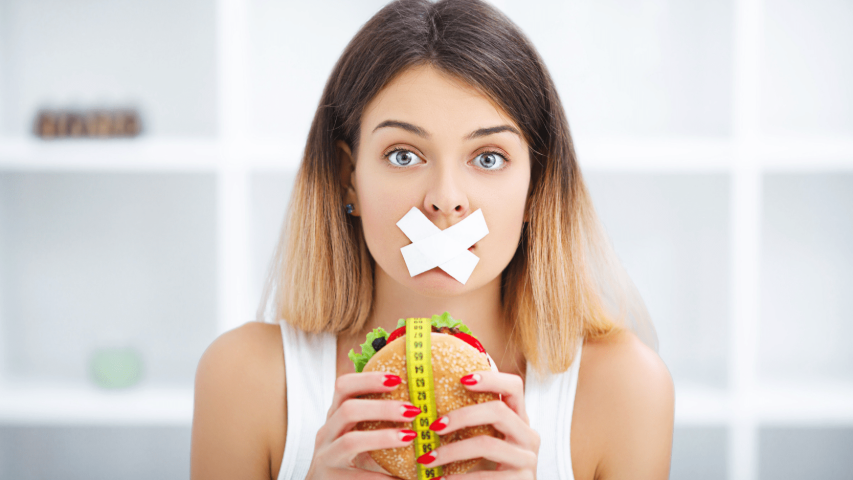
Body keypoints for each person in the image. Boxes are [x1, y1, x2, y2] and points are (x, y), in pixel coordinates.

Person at [191, 0, 674, 478]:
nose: (445, 200)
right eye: (404, 155)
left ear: (536, 189)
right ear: (348, 177)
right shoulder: (245, 379)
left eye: (487, 158)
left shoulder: (623, 388)